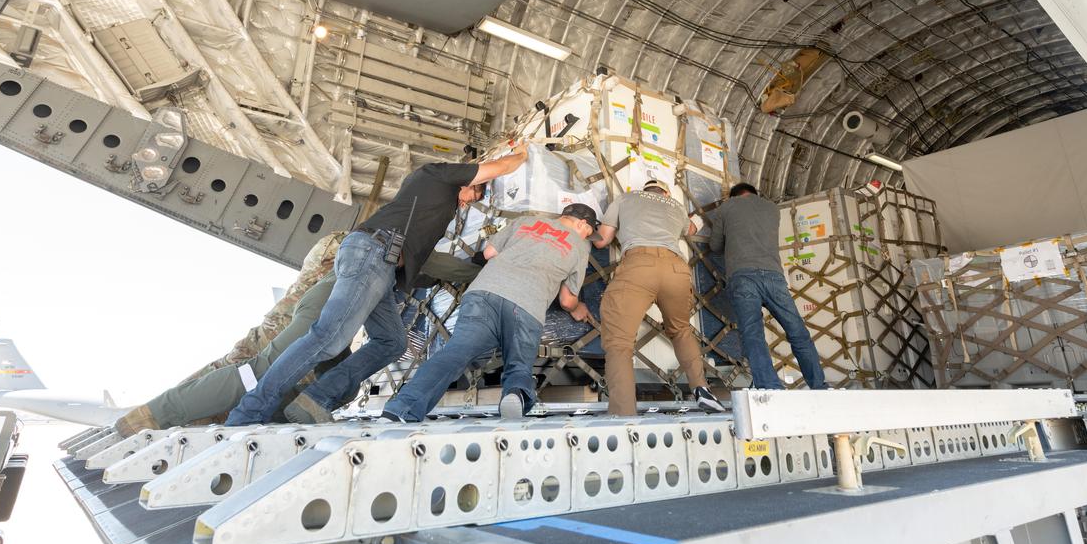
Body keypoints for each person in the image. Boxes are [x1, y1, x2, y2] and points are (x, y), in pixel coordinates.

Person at [226, 147, 528, 425]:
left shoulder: (432, 208)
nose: (467, 203)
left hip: (382, 267)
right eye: (473, 194)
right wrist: (523, 155)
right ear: (467, 180)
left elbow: (426, 264)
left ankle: (315, 400)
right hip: (372, 253)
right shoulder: (436, 175)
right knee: (327, 337)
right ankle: (249, 412)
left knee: (391, 342)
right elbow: (499, 167)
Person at [112, 231, 345, 435]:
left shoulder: (340, 254)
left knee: (236, 378)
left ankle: (151, 420)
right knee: (245, 379)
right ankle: (149, 421)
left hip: (277, 332)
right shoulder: (343, 258)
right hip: (280, 335)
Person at [382, 204, 598, 422]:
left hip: (483, 293)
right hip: (526, 303)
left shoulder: (525, 221)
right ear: (582, 223)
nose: (587, 237)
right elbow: (566, 300)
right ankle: (515, 394)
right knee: (518, 364)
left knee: (454, 354)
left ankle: (401, 407)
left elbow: (488, 253)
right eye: (588, 232)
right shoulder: (579, 246)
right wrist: (577, 308)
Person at [591, 180, 723, 415]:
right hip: (676, 269)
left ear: (645, 190)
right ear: (666, 192)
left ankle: (624, 413)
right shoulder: (675, 205)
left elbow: (602, 240)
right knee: (681, 330)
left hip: (638, 266)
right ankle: (702, 389)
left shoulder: (625, 198)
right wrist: (701, 216)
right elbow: (691, 230)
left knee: (619, 343)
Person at [710, 183, 826, 390]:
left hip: (743, 276)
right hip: (774, 276)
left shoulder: (726, 208)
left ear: (733, 196)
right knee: (797, 330)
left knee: (753, 334)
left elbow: (715, 246)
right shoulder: (772, 208)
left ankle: (770, 386)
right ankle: (819, 385)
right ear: (754, 194)